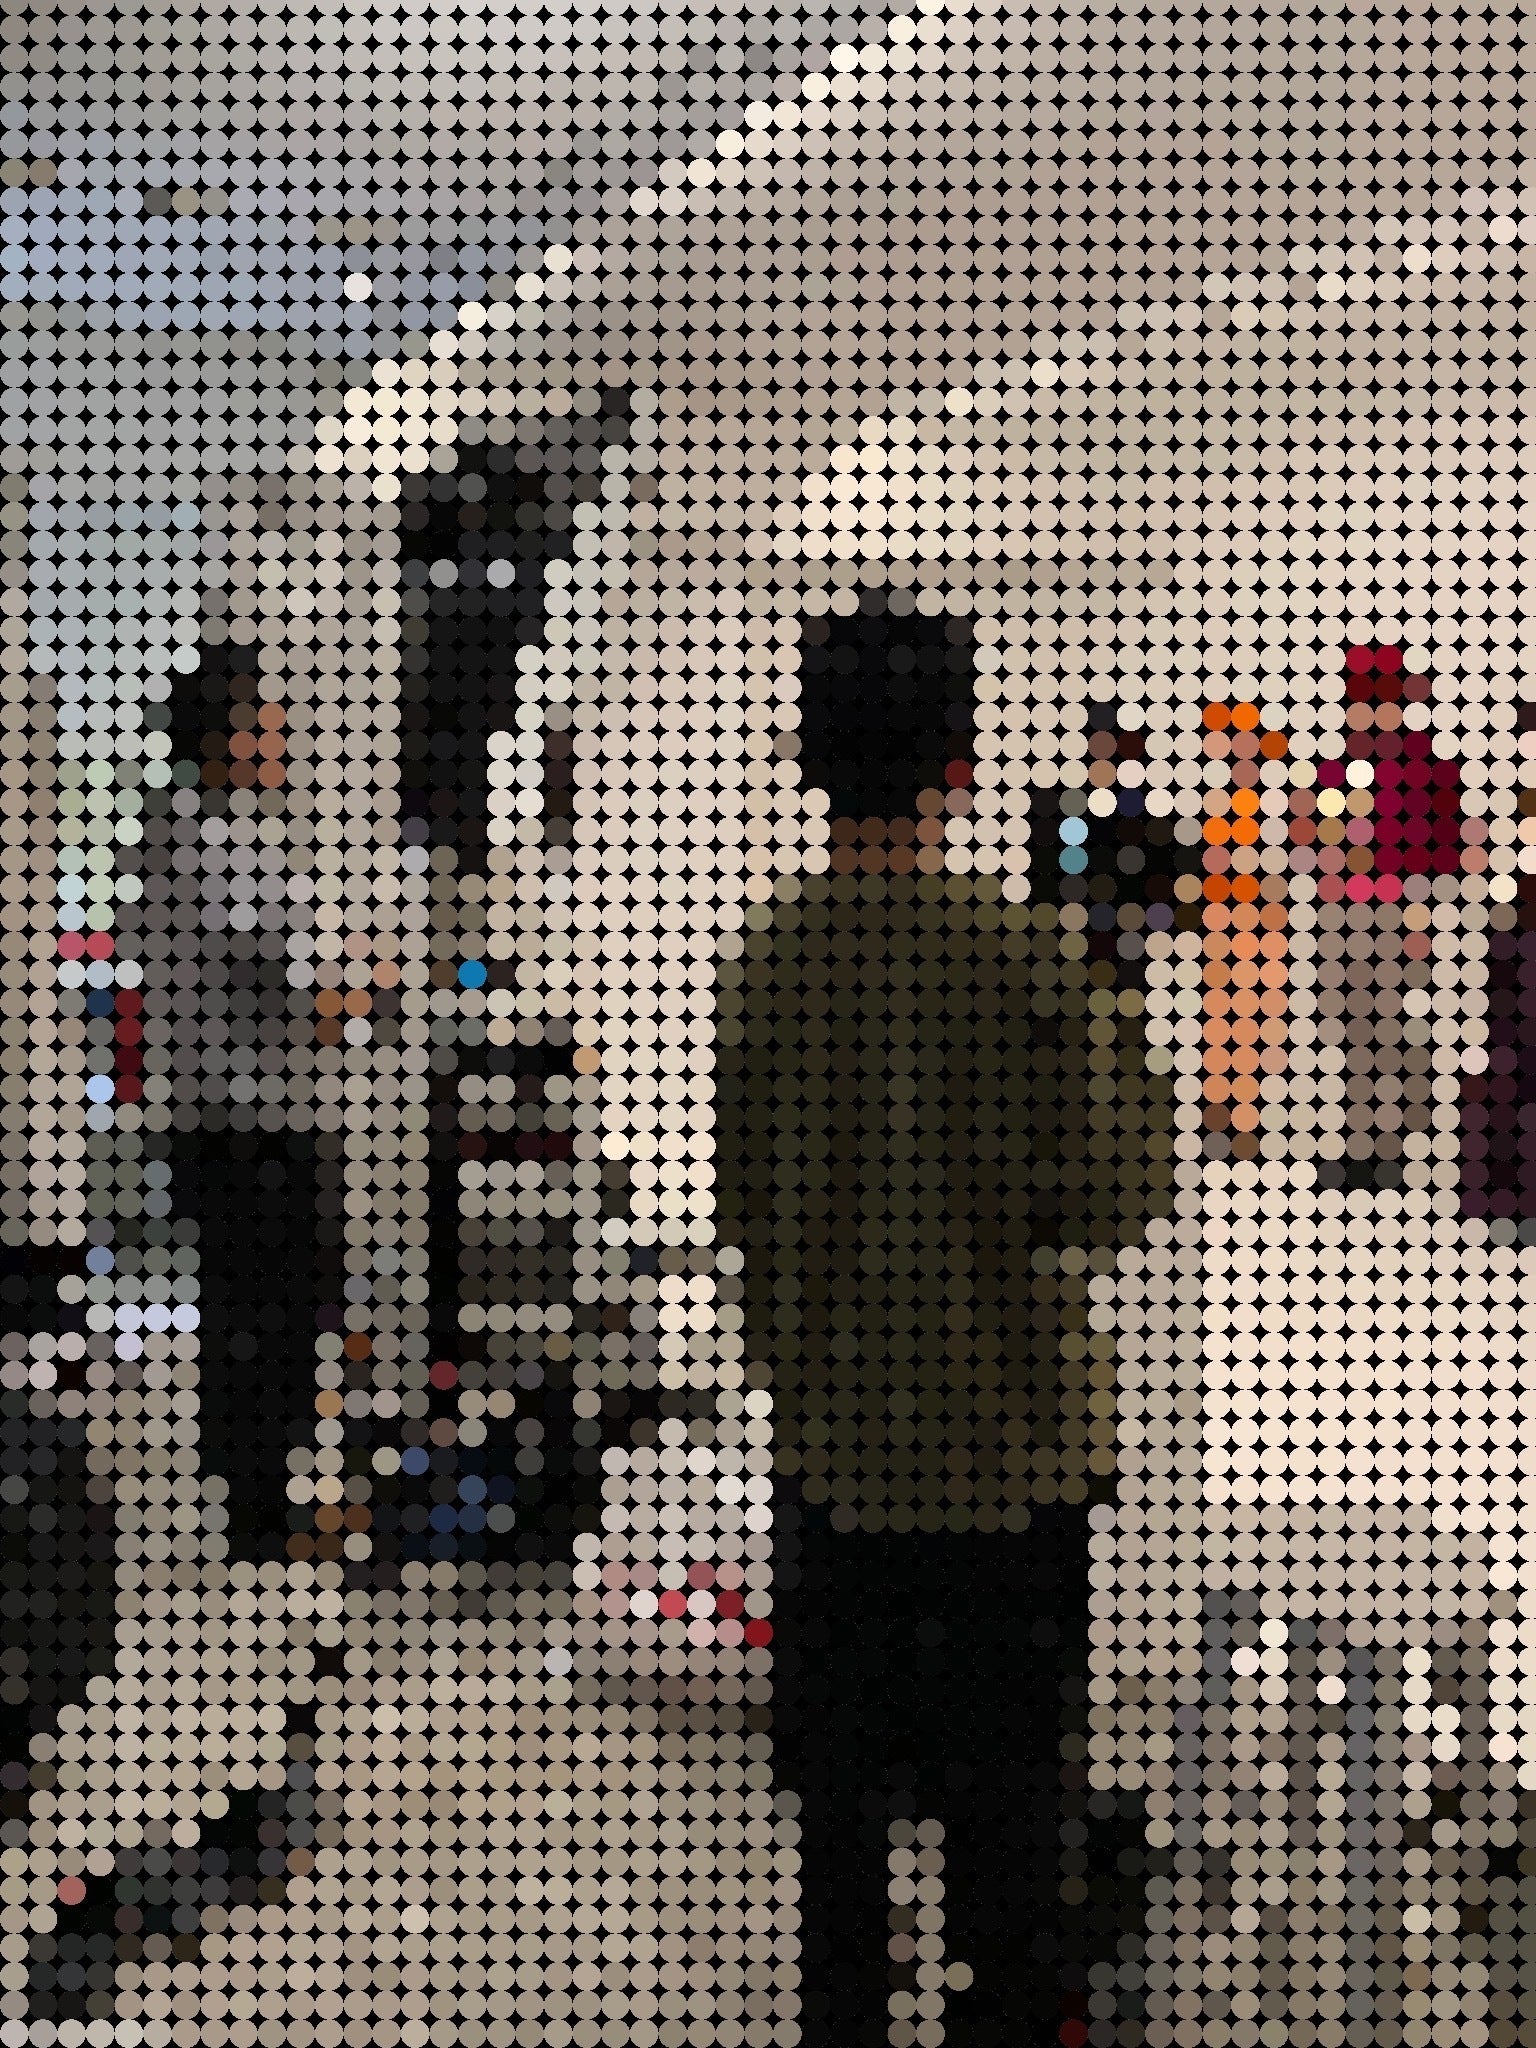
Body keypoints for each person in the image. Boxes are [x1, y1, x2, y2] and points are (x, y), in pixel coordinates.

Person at [711, 601, 1182, 2047]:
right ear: (962, 765)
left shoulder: (765, 963)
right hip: (1006, 1454)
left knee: (841, 1844)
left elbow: (746, 1208)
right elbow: (1118, 1194)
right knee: (1009, 1830)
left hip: (835, 1455)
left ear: (808, 757)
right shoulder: (1022, 957)